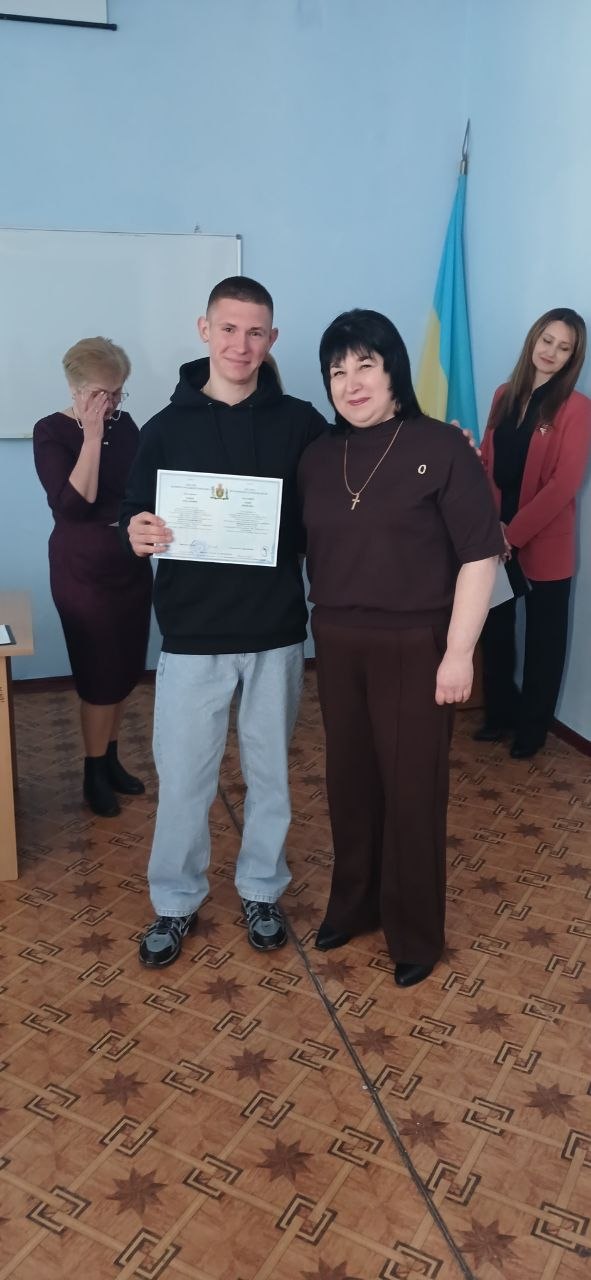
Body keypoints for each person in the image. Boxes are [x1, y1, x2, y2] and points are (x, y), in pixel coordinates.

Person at [120, 276, 327, 969]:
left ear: (272, 339)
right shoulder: (163, 428)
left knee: (270, 776)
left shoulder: (301, 423)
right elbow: (131, 513)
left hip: (274, 633)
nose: (242, 344)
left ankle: (262, 889)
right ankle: (175, 900)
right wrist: (135, 531)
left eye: (256, 331)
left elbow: (347, 490)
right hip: (192, 637)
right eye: (229, 328)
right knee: (184, 780)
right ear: (205, 329)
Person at [298, 309, 503, 988]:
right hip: (336, 641)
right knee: (350, 784)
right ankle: (354, 905)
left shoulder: (441, 447)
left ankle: (414, 931)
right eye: (337, 371)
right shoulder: (316, 457)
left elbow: (480, 555)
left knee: (412, 791)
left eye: (366, 365)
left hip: (417, 644)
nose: (351, 383)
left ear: (394, 373)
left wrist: (459, 652)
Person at [33, 338, 153, 818]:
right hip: (82, 571)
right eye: (105, 394)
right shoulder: (50, 431)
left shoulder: (128, 426)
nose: (114, 403)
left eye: (120, 392)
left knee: (124, 670)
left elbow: (141, 490)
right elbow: (73, 504)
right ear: (77, 388)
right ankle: (92, 771)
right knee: (98, 675)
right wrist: (91, 435)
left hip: (128, 564)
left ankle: (111, 759)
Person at [475, 308, 591, 759]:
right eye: (547, 341)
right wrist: (493, 527)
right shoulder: (504, 394)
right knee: (496, 629)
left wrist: (514, 533)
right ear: (533, 340)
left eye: (564, 348)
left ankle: (533, 729)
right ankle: (499, 713)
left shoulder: (577, 408)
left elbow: (564, 484)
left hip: (543, 541)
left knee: (544, 640)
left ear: (573, 357)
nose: (551, 353)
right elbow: (488, 461)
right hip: (496, 534)